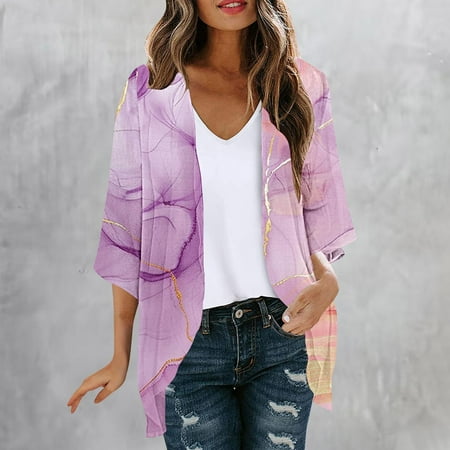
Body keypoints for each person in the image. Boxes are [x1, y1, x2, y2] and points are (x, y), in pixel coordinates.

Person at [67, 0, 357, 448]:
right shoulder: (150, 92)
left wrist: (329, 279)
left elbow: (313, 215)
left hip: (282, 332)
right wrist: (120, 353)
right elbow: (126, 233)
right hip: (186, 347)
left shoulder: (301, 86)